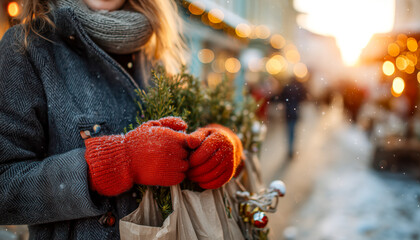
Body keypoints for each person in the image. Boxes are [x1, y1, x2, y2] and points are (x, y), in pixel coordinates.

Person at [0, 0, 243, 239]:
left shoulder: (155, 50)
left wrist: (218, 145)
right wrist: (118, 162)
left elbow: (194, 122)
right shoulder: (29, 46)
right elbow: (5, 186)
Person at [279, 77, 306, 160]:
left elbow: (281, 98)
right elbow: (303, 98)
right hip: (294, 113)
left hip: (288, 113)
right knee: (293, 132)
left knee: (289, 132)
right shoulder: (298, 88)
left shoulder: (287, 88)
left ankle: (290, 149)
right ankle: (291, 149)